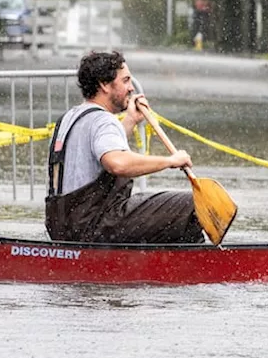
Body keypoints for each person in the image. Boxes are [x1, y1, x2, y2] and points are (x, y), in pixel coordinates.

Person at [45, 51, 203, 243]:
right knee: (193, 204)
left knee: (156, 212)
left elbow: (101, 149)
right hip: (95, 226)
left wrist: (130, 121)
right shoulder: (103, 121)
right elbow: (117, 163)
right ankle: (198, 265)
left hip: (63, 227)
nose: (131, 88)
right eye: (126, 80)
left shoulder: (70, 117)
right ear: (104, 84)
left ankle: (151, 261)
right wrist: (170, 161)